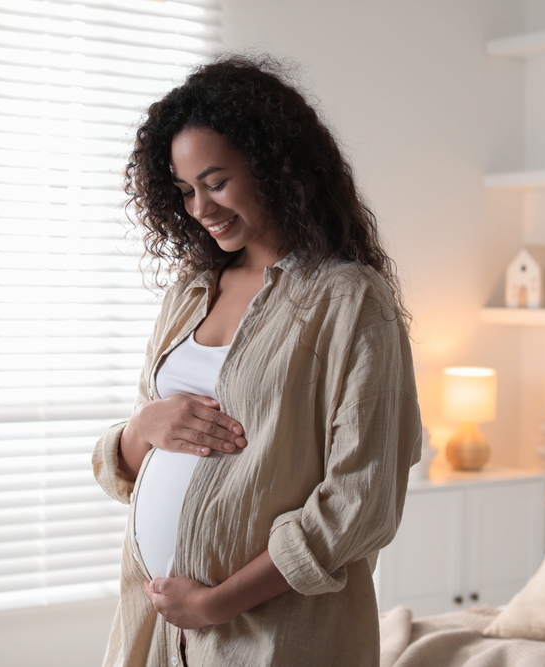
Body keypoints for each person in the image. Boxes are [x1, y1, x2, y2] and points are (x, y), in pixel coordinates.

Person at [92, 54, 422, 666]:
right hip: (159, 629)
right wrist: (139, 430)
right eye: (185, 190)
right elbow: (138, 459)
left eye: (216, 182)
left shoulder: (347, 299)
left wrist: (217, 603)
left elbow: (361, 498)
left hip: (274, 635)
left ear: (275, 166)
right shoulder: (192, 290)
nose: (200, 208)